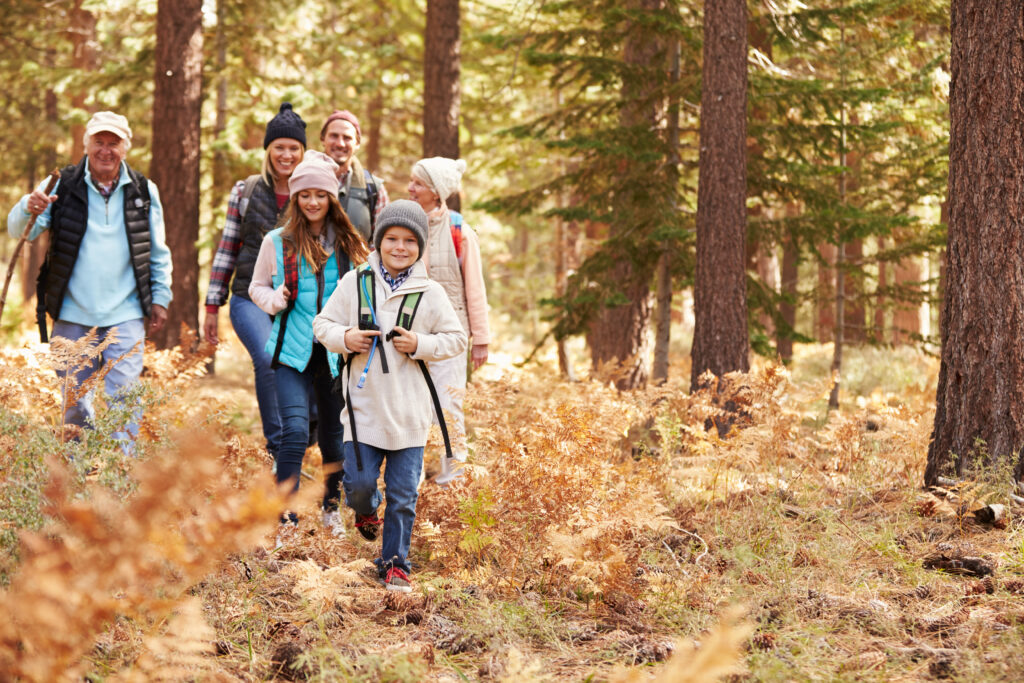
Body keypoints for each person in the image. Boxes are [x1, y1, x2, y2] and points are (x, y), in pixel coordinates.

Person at [313, 200, 467, 592]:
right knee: (361, 485)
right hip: (364, 409)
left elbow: (456, 339)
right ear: (379, 241)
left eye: (410, 241)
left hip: (410, 413)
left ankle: (395, 563)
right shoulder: (356, 283)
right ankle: (365, 511)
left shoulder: (429, 292)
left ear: (420, 246)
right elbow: (322, 324)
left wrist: (420, 343)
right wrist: (345, 337)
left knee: (402, 496)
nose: (400, 247)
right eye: (392, 239)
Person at [7, 111, 172, 448]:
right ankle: (77, 485)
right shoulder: (60, 185)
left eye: (114, 143)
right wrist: (29, 205)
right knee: (75, 410)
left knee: (125, 406)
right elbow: (18, 231)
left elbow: (158, 250)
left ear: (125, 148)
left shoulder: (143, 190)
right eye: (99, 142)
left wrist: (160, 298)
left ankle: (118, 485)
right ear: (87, 145)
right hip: (71, 316)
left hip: (125, 315)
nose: (106, 150)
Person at [249, 150, 369, 540]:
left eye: (320, 194)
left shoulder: (350, 245)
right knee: (295, 434)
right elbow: (256, 287)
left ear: (332, 198)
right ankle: (285, 519)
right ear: (295, 199)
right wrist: (275, 300)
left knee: (335, 437)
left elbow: (368, 289)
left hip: (335, 356)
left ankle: (331, 509)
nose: (313, 202)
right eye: (305, 195)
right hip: (291, 353)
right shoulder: (277, 241)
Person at [203, 103, 307, 461]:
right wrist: (211, 305)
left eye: (294, 148)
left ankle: (300, 438)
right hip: (250, 297)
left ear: (303, 152)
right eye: (279, 146)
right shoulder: (245, 191)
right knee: (267, 357)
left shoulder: (312, 193)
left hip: (299, 300)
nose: (286, 154)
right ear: (268, 150)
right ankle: (279, 449)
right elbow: (227, 249)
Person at [406, 157, 490, 483]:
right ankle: (409, 477)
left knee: (448, 407)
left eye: (418, 184)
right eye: (411, 181)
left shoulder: (460, 231)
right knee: (410, 407)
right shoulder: (402, 224)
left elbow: (475, 288)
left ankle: (452, 480)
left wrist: (480, 339)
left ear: (436, 191)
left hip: (451, 334)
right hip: (408, 334)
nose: (410, 188)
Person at [319, 110, 388, 243]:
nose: (340, 143)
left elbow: (382, 241)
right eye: (334, 136)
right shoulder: (303, 180)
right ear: (323, 139)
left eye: (347, 138)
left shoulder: (374, 188)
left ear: (357, 144)